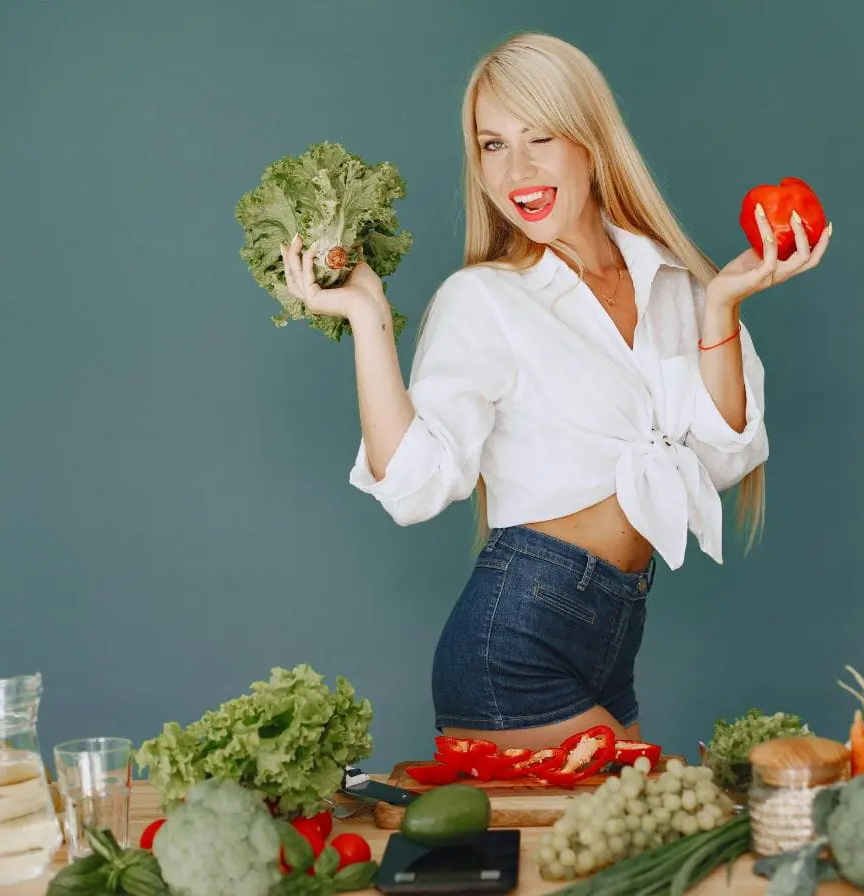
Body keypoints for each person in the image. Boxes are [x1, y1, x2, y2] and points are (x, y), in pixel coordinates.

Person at [280, 32, 830, 753]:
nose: (518, 168)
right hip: (513, 640)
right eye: (493, 144)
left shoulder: (676, 284)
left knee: (633, 851)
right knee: (639, 835)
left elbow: (722, 458)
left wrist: (721, 306)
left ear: (592, 144)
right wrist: (368, 318)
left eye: (540, 136)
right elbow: (414, 488)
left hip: (614, 637)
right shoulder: (484, 299)